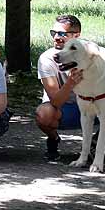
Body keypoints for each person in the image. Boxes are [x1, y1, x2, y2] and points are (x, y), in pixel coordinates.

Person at [35, 14, 84, 162]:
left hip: (90, 105)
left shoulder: (90, 53)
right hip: (63, 109)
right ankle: (53, 139)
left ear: (76, 35)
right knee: (43, 114)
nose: (56, 37)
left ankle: (93, 144)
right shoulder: (47, 59)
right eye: (54, 33)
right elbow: (55, 102)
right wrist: (70, 82)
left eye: (62, 34)